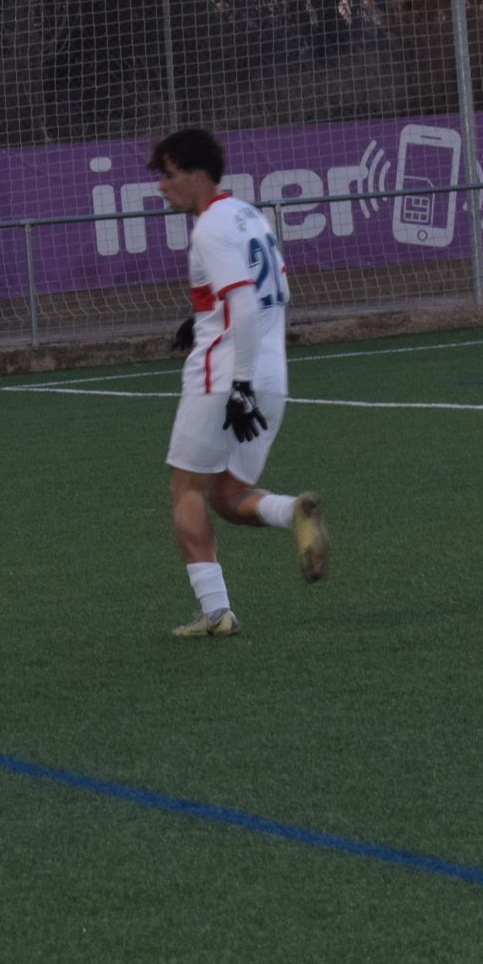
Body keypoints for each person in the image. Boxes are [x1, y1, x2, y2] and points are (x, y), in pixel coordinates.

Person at [150, 128, 327, 637]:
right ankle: (294, 510)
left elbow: (244, 303)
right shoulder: (249, 215)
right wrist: (201, 320)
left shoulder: (209, 227)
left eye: (167, 174)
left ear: (195, 172)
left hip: (227, 376)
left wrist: (240, 385)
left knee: (186, 488)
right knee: (229, 495)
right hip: (273, 370)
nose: (162, 186)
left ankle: (215, 613)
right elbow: (272, 292)